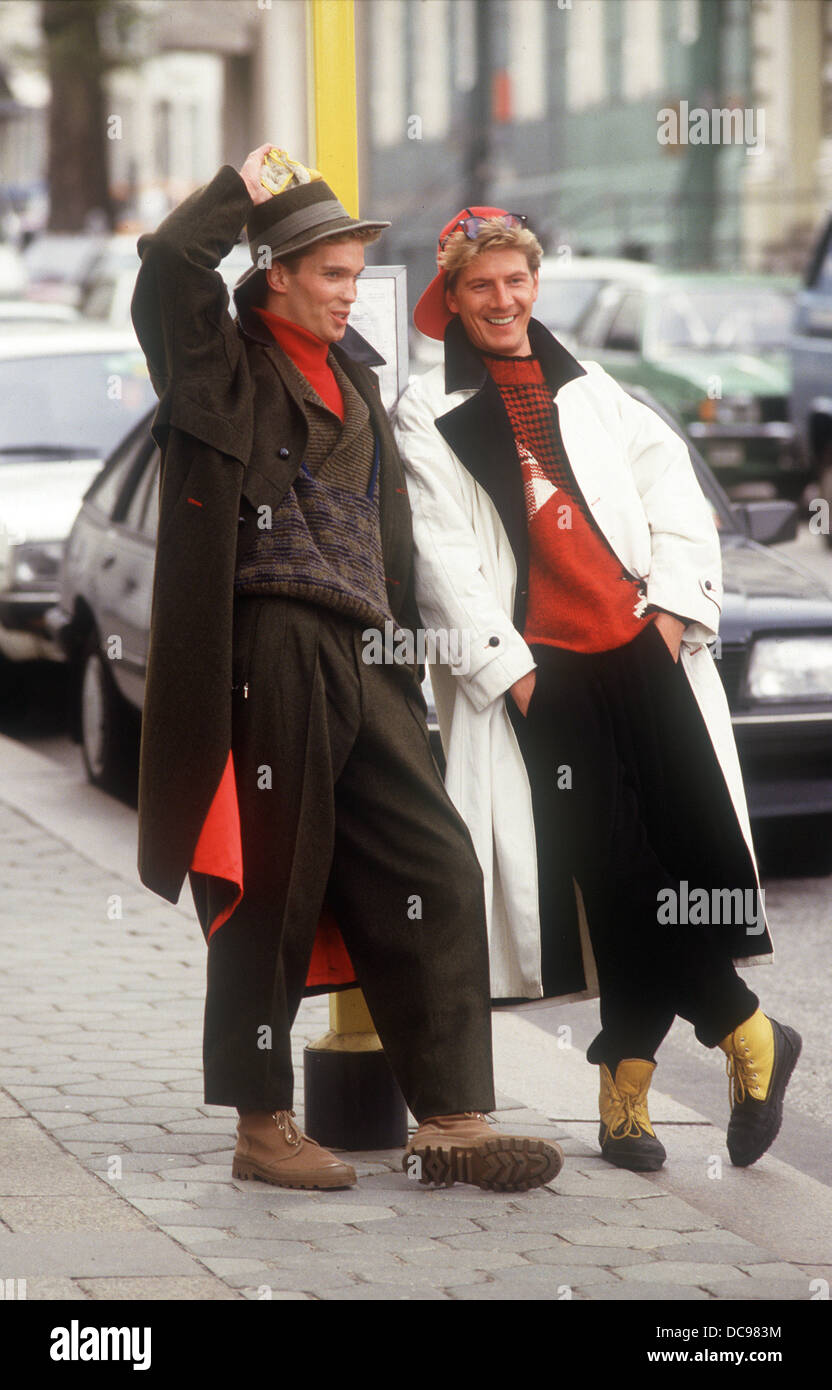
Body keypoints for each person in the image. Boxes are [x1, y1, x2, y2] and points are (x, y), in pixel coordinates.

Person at [130, 149, 563, 1193]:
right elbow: (170, 266)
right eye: (330, 273)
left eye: (355, 275)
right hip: (268, 640)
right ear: (274, 273)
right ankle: (261, 1125)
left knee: (435, 861)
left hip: (366, 646)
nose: (347, 292)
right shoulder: (217, 359)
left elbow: (392, 534)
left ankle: (452, 1117)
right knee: (273, 888)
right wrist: (242, 186)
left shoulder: (359, 374)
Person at [394, 207, 801, 1172]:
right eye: (481, 285)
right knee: (613, 872)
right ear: (452, 297)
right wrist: (514, 674)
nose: (503, 300)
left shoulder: (594, 385)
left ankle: (624, 1096)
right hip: (545, 674)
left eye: (516, 280)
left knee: (678, 866)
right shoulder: (424, 408)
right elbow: (438, 553)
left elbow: (675, 496)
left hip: (643, 653)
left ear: (536, 283)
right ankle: (747, 1032)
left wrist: (670, 613)